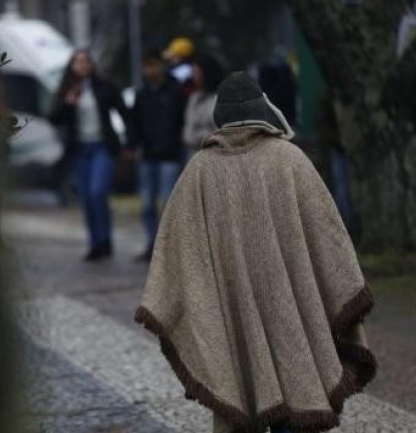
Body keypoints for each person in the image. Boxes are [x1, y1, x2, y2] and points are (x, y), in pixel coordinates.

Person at [134, 72, 376, 433]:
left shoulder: (199, 170)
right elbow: (330, 238)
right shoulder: (289, 159)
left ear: (220, 116)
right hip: (291, 307)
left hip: (233, 314)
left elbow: (177, 252)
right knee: (296, 394)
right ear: (262, 109)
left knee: (242, 386)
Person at [49, 49, 131, 262]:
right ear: (71, 66)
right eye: (78, 61)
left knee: (97, 191)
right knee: (86, 198)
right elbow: (53, 118)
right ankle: (96, 243)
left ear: (92, 64)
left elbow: (123, 111)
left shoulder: (104, 87)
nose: (83, 65)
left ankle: (105, 239)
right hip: (79, 149)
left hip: (102, 146)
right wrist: (68, 104)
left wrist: (129, 141)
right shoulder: (66, 89)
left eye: (86, 61)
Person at [125, 49, 187, 262]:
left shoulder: (175, 91)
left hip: (170, 155)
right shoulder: (142, 94)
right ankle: (154, 243)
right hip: (148, 155)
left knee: (168, 203)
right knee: (147, 205)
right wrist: (132, 144)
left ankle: (169, 246)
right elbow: (134, 122)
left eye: (153, 65)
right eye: (147, 66)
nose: (150, 70)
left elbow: (181, 120)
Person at [181, 53, 225, 161]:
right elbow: (188, 125)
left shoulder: (218, 99)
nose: (194, 76)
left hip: (213, 157)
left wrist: (197, 138)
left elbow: (220, 132)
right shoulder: (193, 97)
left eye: (197, 72)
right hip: (193, 157)